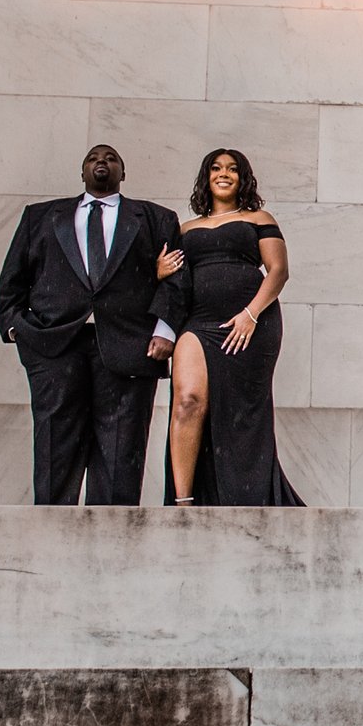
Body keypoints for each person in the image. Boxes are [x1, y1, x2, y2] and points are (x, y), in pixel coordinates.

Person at [0, 144, 185, 505]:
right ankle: (51, 530)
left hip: (131, 344)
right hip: (55, 346)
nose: (102, 162)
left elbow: (176, 280)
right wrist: (17, 329)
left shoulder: (156, 219)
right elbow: (12, 281)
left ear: (123, 174)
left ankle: (113, 537)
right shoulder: (41, 217)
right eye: (94, 158)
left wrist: (166, 331)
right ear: (82, 172)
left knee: (122, 444)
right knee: (55, 441)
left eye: (111, 158)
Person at [154, 148, 303, 505]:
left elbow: (278, 271)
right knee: (187, 401)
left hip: (251, 324)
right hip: (198, 323)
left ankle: (246, 497)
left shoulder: (257, 218)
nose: (225, 173)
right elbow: (168, 282)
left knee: (242, 413)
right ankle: (184, 502)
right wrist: (156, 272)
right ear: (206, 177)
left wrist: (250, 315)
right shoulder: (184, 228)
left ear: (243, 178)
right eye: (217, 168)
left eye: (233, 169)